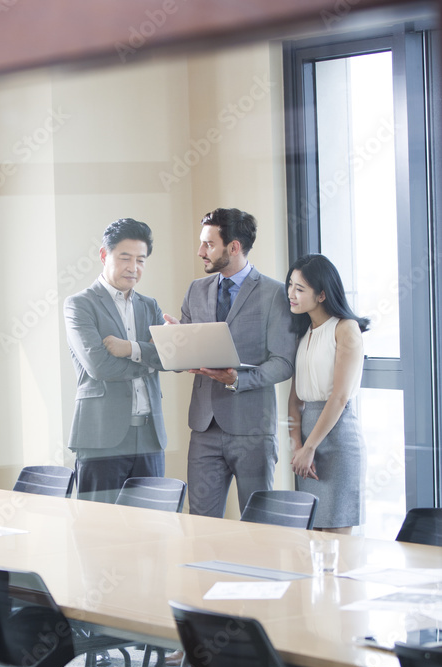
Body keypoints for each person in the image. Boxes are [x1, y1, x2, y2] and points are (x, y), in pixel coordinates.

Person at [164, 208, 297, 517]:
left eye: (209, 244)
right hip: (204, 427)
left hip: (252, 429)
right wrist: (175, 342)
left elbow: (283, 362)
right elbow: (183, 356)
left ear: (234, 247)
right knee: (200, 525)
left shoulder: (274, 294)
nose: (200, 251)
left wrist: (237, 380)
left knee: (259, 526)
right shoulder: (196, 290)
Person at [65, 218, 167, 503]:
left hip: (149, 437)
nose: (133, 267)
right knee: (99, 533)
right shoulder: (79, 305)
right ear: (103, 255)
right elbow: (100, 366)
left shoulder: (150, 306)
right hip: (100, 438)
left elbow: (171, 359)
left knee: (152, 535)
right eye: (125, 258)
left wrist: (130, 348)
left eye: (141, 260)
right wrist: (148, 356)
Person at [286, 253, 368, 534]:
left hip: (337, 439)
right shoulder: (304, 333)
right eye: (291, 286)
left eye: (300, 289)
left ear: (321, 294)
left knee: (337, 544)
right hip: (306, 440)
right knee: (311, 541)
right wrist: (296, 446)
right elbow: (295, 400)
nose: (291, 294)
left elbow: (339, 398)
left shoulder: (346, 329)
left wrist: (310, 448)